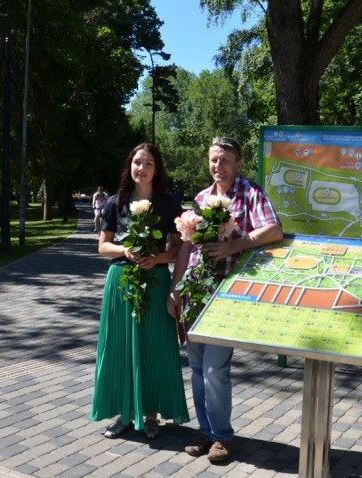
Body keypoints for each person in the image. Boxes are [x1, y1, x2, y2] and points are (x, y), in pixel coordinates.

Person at [168, 136, 283, 463]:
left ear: (238, 163)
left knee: (214, 370)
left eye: (225, 160)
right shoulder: (201, 198)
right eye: (214, 160)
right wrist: (175, 288)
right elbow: (186, 248)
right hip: (196, 293)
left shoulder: (250, 193)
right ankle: (206, 431)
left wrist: (234, 246)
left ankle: (222, 436)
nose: (218, 166)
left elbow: (274, 230)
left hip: (228, 294)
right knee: (197, 368)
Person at [89, 143, 189, 440]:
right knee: (120, 347)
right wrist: (124, 250)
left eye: (148, 164)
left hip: (155, 280)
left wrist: (157, 258)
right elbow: (103, 247)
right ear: (129, 166)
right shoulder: (114, 202)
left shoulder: (168, 203)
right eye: (137, 163)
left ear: (156, 169)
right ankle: (124, 412)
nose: (141, 169)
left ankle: (151, 414)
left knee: (154, 346)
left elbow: (178, 248)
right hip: (120, 281)